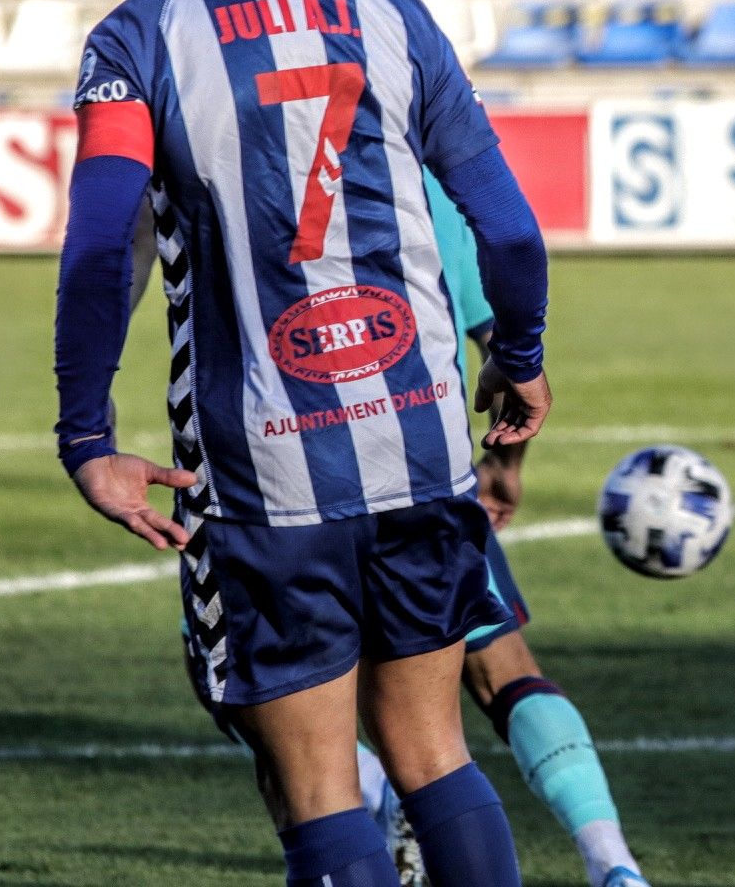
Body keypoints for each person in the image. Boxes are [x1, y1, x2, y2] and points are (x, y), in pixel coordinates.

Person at [54, 0, 541, 885]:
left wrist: (88, 437)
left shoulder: (133, 42)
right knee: (434, 752)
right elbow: (508, 232)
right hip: (420, 443)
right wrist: (521, 359)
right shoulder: (394, 11)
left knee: (317, 788)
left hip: (267, 477)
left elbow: (96, 249)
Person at [138, 177, 648, 887]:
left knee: (284, 741)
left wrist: (83, 428)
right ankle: (611, 861)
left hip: (275, 473)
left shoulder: (221, 126)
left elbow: (114, 237)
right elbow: (502, 302)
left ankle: (373, 797)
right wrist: (504, 461)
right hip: (416, 457)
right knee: (470, 706)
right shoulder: (411, 143)